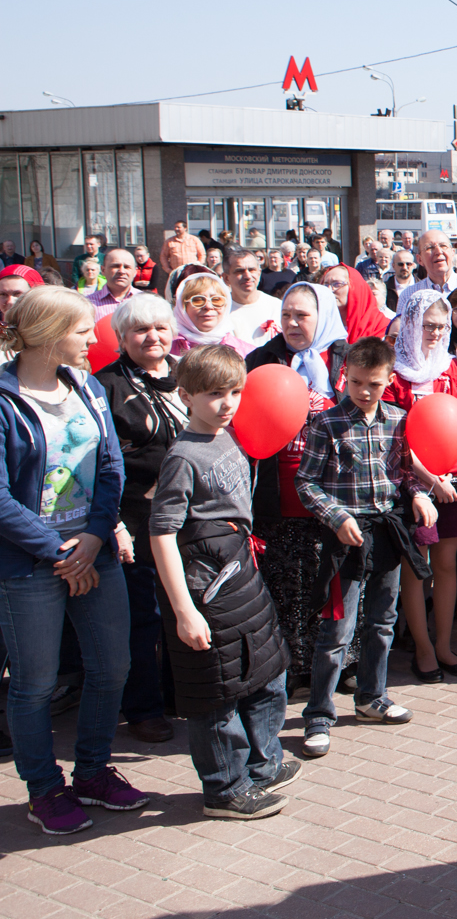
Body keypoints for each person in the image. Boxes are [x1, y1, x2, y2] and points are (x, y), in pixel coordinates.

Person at [0, 287, 148, 834]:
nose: (95, 338)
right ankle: (44, 789)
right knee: (34, 683)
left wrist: (92, 537)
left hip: (94, 551)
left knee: (112, 668)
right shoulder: (2, 398)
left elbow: (110, 467)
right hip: (29, 565)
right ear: (47, 333)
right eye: (84, 329)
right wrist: (59, 550)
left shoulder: (86, 384)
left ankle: (91, 772)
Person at [147, 345, 297, 819]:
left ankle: (262, 764)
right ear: (186, 395)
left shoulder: (228, 437)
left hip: (239, 574)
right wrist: (184, 609)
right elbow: (162, 532)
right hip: (205, 584)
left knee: (264, 672)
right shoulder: (183, 456)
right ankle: (225, 789)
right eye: (215, 394)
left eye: (235, 391)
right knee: (217, 691)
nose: (228, 403)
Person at [296, 337, 436, 758]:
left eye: (373, 384)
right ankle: (318, 713)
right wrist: (337, 517)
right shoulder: (327, 424)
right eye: (356, 382)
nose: (363, 392)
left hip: (387, 532)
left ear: (389, 380)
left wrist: (417, 493)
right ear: (345, 376)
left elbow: (403, 473)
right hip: (345, 538)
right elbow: (306, 483)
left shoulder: (398, 419)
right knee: (337, 628)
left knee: (383, 620)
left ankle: (372, 697)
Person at [244, 282, 350, 690]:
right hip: (278, 488)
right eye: (286, 314)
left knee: (331, 581)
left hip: (332, 490)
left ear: (321, 317)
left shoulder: (342, 357)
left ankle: (340, 666)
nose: (291, 323)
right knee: (288, 581)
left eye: (301, 315)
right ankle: (291, 666)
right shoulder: (262, 359)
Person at [95, 293, 186, 745]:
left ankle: (179, 696)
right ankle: (143, 708)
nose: (153, 337)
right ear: (122, 337)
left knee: (182, 609)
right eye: (141, 330)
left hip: (187, 518)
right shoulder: (105, 386)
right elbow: (100, 465)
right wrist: (114, 524)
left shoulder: (185, 375)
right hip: (133, 519)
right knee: (143, 618)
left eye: (161, 328)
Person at [385, 291, 457, 682]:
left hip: (450, 480)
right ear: (410, 324)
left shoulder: (451, 367)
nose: (437, 333)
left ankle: (443, 644)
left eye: (442, 326)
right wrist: (428, 481)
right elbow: (397, 438)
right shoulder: (395, 373)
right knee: (416, 566)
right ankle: (422, 648)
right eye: (428, 326)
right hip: (414, 485)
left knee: (447, 563)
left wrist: (453, 476)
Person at [171, 272, 256, 359]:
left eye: (216, 300)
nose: (208, 306)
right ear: (182, 306)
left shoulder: (247, 354)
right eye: (198, 300)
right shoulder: (166, 349)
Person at [400, 230, 457, 312]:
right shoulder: (409, 295)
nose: (438, 252)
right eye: (430, 248)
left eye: (443, 246)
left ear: (453, 253)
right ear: (419, 259)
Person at [222, 246, 280, 346]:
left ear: (259, 273)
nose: (247, 276)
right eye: (239, 271)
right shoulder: (219, 310)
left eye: (252, 270)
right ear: (226, 278)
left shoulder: (277, 307)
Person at [87, 247, 143, 322]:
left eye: (127, 267)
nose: (121, 271)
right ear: (103, 270)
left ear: (135, 272)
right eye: (115, 266)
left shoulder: (146, 301)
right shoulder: (88, 304)